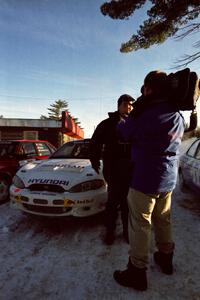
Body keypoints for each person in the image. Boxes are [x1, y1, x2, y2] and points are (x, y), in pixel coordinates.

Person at [113, 71, 185, 291]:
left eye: (144, 88)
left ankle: (137, 271)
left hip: (145, 177)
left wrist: (134, 113)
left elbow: (123, 131)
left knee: (141, 224)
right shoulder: (178, 115)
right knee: (163, 219)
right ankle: (165, 258)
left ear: (149, 89)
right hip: (168, 177)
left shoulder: (145, 114)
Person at [90, 94, 135, 245]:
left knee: (127, 203)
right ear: (118, 105)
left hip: (130, 170)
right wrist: (94, 160)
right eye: (125, 104)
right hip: (113, 169)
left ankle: (127, 232)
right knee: (113, 202)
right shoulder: (107, 124)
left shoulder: (135, 122)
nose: (128, 107)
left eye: (130, 105)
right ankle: (110, 231)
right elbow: (94, 143)